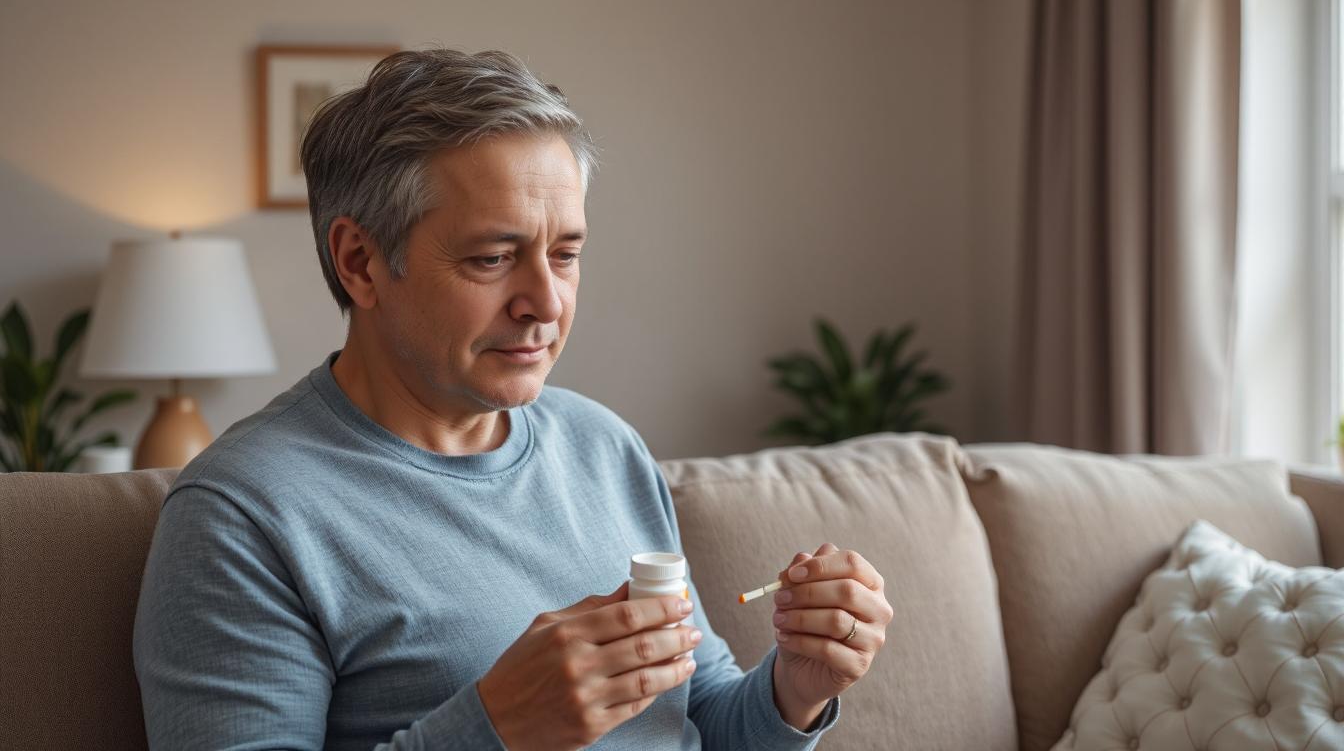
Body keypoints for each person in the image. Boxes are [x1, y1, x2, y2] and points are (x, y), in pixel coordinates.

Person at [132, 48, 892, 750]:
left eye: (565, 254)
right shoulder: (243, 515)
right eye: (493, 258)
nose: (546, 302)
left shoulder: (602, 446)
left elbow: (697, 718)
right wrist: (497, 727)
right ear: (360, 263)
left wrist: (796, 690)